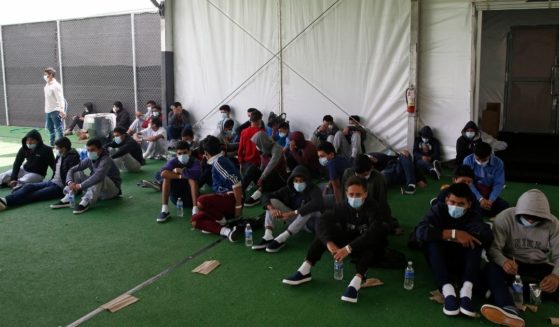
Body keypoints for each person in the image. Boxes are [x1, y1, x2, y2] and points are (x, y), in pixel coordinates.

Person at [282, 176, 390, 304]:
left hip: (366, 243)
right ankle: (305, 270)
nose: (354, 198)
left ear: (365, 194)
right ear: (346, 194)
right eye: (351, 194)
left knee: (372, 244)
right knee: (325, 233)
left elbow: (374, 232)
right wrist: (329, 243)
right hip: (348, 239)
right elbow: (322, 221)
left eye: (358, 194)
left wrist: (348, 248)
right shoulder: (343, 206)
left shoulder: (374, 207)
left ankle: (355, 283)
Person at [480, 189, 559, 327]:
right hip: (511, 262)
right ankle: (509, 309)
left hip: (538, 263)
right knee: (491, 270)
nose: (531, 219)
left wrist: (555, 276)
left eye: (536, 217)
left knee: (555, 285)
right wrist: (504, 262)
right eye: (527, 215)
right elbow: (493, 249)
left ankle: (510, 292)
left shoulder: (553, 223)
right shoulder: (504, 218)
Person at [415, 183, 493, 317]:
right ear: (446, 200)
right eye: (452, 202)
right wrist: (454, 234)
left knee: (474, 243)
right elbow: (420, 232)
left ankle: (466, 291)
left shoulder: (473, 216)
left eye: (461, 204)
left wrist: (467, 236)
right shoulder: (438, 209)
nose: (455, 206)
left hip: (463, 261)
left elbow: (487, 237)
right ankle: (448, 291)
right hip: (440, 259)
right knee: (432, 243)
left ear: (468, 204)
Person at [253, 165, 323, 252]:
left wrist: (292, 213)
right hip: (293, 220)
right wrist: (272, 209)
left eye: (301, 180)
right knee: (272, 201)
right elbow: (266, 196)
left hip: (310, 223)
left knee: (309, 209)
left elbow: (317, 203)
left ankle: (282, 238)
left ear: (307, 180)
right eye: (296, 180)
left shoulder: (314, 189)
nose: (298, 183)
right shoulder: (289, 189)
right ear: (292, 181)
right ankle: (268, 235)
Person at [0, 137, 80, 210]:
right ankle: (5, 200)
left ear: (64, 148)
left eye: (57, 148)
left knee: (35, 195)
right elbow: (56, 169)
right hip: (52, 182)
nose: (55, 149)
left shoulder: (72, 158)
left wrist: (69, 189)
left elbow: (72, 175)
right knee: (28, 186)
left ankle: (7, 202)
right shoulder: (60, 155)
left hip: (60, 188)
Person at [191, 136, 243, 242]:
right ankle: (227, 231)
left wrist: (238, 206)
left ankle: (222, 221)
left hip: (231, 199)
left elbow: (236, 183)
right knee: (195, 221)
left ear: (206, 153)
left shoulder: (219, 162)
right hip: (225, 201)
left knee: (201, 201)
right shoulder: (218, 161)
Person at [50, 138, 121, 214]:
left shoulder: (106, 160)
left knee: (99, 177)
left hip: (111, 191)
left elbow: (98, 176)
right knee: (77, 172)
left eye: (93, 150)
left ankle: (85, 202)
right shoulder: (89, 159)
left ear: (100, 150)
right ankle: (68, 198)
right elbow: (72, 170)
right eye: (88, 150)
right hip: (96, 190)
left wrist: (80, 186)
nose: (90, 152)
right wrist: (70, 182)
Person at [342, 154, 399, 234]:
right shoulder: (348, 173)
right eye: (358, 175)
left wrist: (391, 226)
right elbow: (343, 197)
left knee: (378, 228)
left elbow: (382, 204)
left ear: (371, 168)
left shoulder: (379, 179)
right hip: (351, 213)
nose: (361, 178)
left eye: (364, 175)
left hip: (370, 214)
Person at [157, 141, 202, 223]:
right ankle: (164, 210)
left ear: (190, 152)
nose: (182, 155)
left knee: (192, 178)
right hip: (177, 199)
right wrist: (180, 176)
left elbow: (197, 174)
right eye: (179, 153)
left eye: (185, 152)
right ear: (176, 154)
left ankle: (195, 211)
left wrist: (181, 171)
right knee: (166, 177)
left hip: (192, 198)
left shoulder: (195, 162)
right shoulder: (174, 161)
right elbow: (163, 173)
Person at [463, 141, 509, 217]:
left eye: (484, 159)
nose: (480, 162)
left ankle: (481, 209)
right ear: (474, 154)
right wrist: (480, 199)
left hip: (488, 191)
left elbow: (499, 183)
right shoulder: (467, 160)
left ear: (490, 155)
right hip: (472, 190)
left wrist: (491, 200)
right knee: (471, 205)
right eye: (478, 159)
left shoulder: (498, 163)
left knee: (504, 206)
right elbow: (468, 183)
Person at [243, 130, 288, 207]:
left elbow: (272, 164)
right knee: (253, 168)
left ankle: (257, 195)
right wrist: (258, 177)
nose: (257, 146)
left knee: (271, 172)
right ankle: (241, 192)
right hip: (267, 180)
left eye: (258, 144)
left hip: (279, 180)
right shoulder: (264, 150)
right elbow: (262, 166)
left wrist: (261, 178)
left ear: (262, 142)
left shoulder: (277, 148)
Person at [317, 141, 351, 208]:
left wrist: (340, 207)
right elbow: (334, 178)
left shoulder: (331, 164)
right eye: (319, 157)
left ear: (331, 154)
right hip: (347, 186)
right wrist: (327, 186)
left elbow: (336, 188)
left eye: (322, 156)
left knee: (318, 200)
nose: (320, 159)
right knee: (321, 187)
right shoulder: (340, 158)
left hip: (344, 194)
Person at [43, 67, 66, 145]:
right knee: (50, 128)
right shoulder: (48, 82)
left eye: (46, 74)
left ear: (51, 75)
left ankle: (62, 145)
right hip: (48, 111)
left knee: (59, 129)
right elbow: (46, 79)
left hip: (55, 111)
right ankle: (52, 144)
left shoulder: (56, 86)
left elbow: (60, 99)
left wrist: (62, 110)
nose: (45, 76)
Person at [237, 109, 264, 178]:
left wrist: (240, 162)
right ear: (259, 120)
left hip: (246, 163)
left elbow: (240, 149)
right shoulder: (261, 133)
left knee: (246, 183)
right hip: (258, 164)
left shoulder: (244, 131)